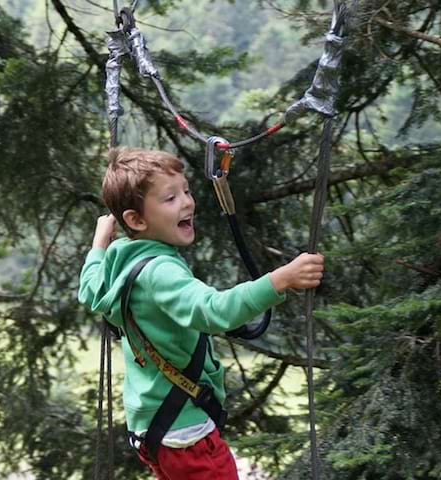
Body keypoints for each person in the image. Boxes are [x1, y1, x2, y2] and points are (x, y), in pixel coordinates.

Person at [78, 147, 324, 479]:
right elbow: (213, 310)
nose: (188, 202)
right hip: (186, 435)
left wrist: (98, 245)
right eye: (170, 199)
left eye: (187, 191)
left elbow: (90, 290)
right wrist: (280, 280)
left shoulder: (120, 256)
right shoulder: (160, 271)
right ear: (136, 220)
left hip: (153, 428)